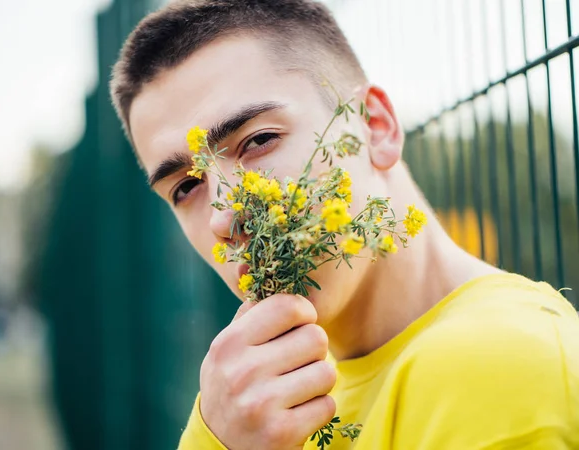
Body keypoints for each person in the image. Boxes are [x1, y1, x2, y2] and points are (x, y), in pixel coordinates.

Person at [109, 1, 579, 448]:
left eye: (258, 141)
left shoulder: (497, 367)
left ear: (375, 127)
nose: (223, 215)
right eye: (186, 188)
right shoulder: (261, 404)